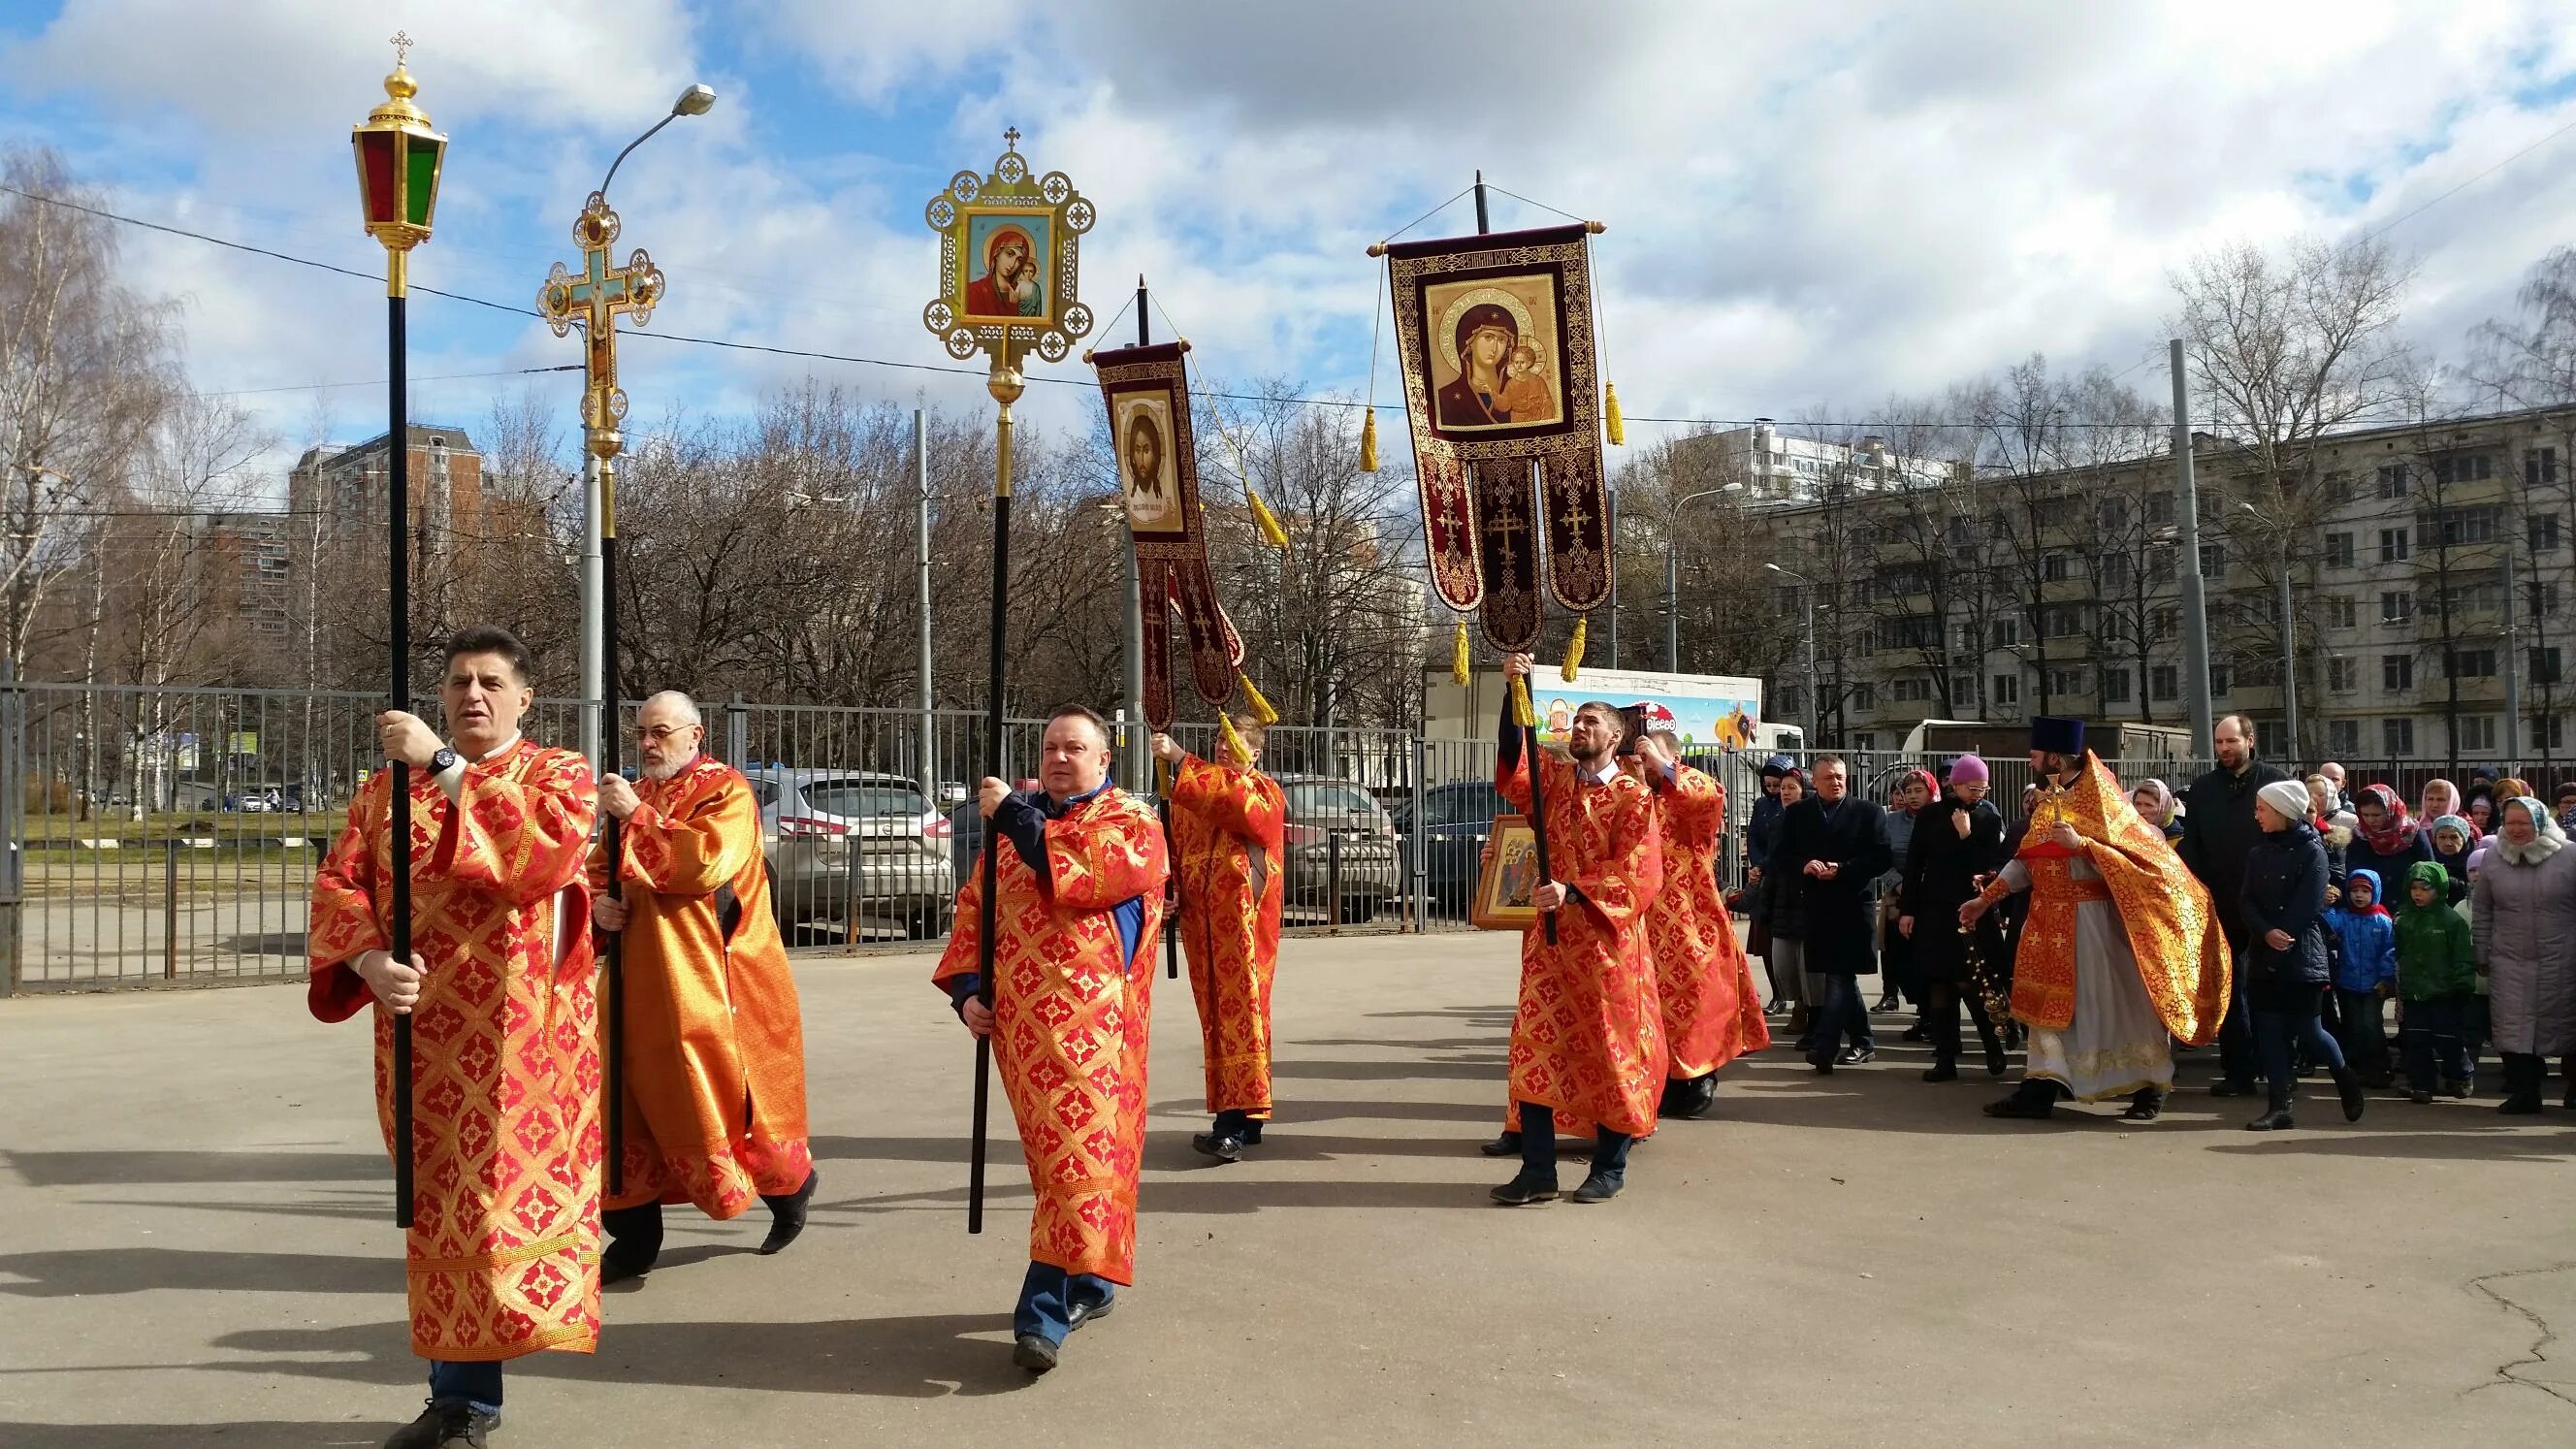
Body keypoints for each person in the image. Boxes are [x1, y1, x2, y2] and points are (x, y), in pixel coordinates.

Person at [306, 627, 599, 1449]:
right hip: (422, 1039)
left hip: (524, 1049)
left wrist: (444, 763)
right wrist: (366, 959)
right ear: (440, 691)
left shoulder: (556, 774)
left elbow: (537, 861)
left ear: (524, 696)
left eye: (491, 682)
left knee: (492, 1212)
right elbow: (341, 881)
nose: (473, 694)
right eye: (459, 681)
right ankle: (459, 1396)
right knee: (440, 1212)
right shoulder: (382, 790)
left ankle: (475, 1389)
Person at [935, 705, 1169, 1374]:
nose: (1060, 759)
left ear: (1105, 760)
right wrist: (969, 992)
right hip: (1023, 1036)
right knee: (1057, 1171)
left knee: (1077, 1163)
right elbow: (977, 910)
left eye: (1075, 748)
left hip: (1097, 1036)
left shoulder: (1132, 822)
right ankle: (1090, 1283)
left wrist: (1011, 811)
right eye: (1049, 749)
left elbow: (1080, 872)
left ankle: (1039, 1317)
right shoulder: (1013, 828)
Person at [590, 691, 814, 1285]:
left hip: (712, 985)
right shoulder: (635, 797)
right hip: (634, 983)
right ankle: (634, 1239)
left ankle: (790, 1192)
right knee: (623, 1110)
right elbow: (599, 866)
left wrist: (636, 814)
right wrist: (598, 907)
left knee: (727, 1104)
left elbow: (702, 866)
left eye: (659, 732)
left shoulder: (727, 791)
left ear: (695, 736)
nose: (647, 745)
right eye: (641, 733)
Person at [1963, 718, 2228, 1122]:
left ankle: (2150, 1086)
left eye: (2035, 753)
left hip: (2097, 925)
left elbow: (2144, 860)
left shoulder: (2103, 801)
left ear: (2054, 756)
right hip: (2046, 922)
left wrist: (2083, 843)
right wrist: (1986, 901)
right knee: (2047, 1013)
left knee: (2117, 1007)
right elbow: (2027, 860)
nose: (2030, 759)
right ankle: (2040, 1089)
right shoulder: (2048, 798)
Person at [1487, 653, 1665, 1207]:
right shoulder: (1555, 781)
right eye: (1578, 720)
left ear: (1614, 737)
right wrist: (1513, 686)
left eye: (1594, 721)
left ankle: (1610, 1165)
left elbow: (1639, 869)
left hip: (1606, 947)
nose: (1582, 727)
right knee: (1536, 1050)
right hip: (1548, 946)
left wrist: (1575, 889)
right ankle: (1538, 1171)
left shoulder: (1632, 796)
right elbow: (1513, 761)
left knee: (1610, 1053)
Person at [1150, 720, 1286, 1163]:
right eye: (1218, 743)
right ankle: (1248, 1120)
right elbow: (1173, 855)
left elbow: (1237, 806)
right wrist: (1167, 896)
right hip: (1202, 928)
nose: (1224, 750)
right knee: (1215, 1021)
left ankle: (1231, 1124)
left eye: (1235, 744)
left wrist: (1180, 760)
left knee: (1242, 1017)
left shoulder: (1264, 792)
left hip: (1244, 931)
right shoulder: (1191, 802)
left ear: (1256, 754)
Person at [1636, 729, 1769, 1119]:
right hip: (1640, 915)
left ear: (1674, 759)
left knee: (1694, 999)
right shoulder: (1632, 793)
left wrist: (1660, 766)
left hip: (1688, 915)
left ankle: (1700, 1076)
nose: (1644, 761)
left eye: (1654, 756)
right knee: (1650, 1006)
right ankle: (1662, 1080)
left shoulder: (1691, 793)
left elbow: (1709, 794)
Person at [2236, 779, 2365, 1130]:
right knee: (2269, 1032)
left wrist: (2284, 933)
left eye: (2263, 809)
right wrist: (2265, 931)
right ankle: (2279, 1107)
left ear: (2282, 812)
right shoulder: (2257, 852)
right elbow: (2245, 899)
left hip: (2301, 955)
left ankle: (2344, 1075)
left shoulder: (2313, 851)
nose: (2257, 815)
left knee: (2309, 1030)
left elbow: (2309, 901)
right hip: (2264, 953)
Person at [2177, 713, 2291, 1098]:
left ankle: (2279, 1069)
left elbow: (2294, 842)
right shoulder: (2204, 788)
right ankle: (2239, 1070)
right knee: (2231, 988)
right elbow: (2191, 845)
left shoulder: (2276, 782)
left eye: (2232, 741)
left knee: (2273, 990)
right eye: (2219, 743)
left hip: (2271, 907)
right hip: (2221, 905)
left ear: (2250, 740)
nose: (2225, 749)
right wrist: (2198, 893)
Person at [1775, 756, 1891, 1072]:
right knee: (1839, 975)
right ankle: (1863, 1042)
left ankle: (1825, 1045)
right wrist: (1804, 865)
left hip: (1853, 906)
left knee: (1839, 976)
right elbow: (1782, 855)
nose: (1836, 782)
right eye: (1828, 778)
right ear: (1815, 782)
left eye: (1839, 776)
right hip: (1817, 907)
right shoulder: (1799, 814)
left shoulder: (1868, 813)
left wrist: (1844, 869)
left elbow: (1881, 858)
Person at [1899, 753, 2011, 1081]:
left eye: (1984, 789)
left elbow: (1985, 864)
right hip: (1935, 909)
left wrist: (1965, 835)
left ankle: (1992, 1046)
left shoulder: (1988, 818)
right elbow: (1915, 865)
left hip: (1971, 909)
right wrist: (1908, 910)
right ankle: (1945, 1058)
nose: (1979, 795)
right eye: (1973, 788)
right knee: (1940, 984)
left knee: (1972, 983)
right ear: (1955, 785)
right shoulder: (1931, 815)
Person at [2468, 796, 2576, 1114]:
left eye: (2523, 823)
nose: (2515, 829)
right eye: (2510, 822)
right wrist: (2481, 952)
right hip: (2509, 959)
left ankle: (2574, 1089)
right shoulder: (2493, 858)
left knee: (2568, 1024)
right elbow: (2484, 910)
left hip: (2564, 958)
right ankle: (2525, 1093)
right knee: (2513, 1028)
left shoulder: (2570, 856)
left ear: (2540, 823)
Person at [2395, 861, 2477, 1103]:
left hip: (2445, 991)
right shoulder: (2404, 919)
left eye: (2425, 888)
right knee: (2416, 1039)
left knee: (2447, 1038)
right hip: (2415, 991)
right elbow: (2398, 954)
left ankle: (2461, 1074)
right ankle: (2422, 1083)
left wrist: (2463, 985)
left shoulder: (2451, 921)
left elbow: (2463, 955)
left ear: (2439, 889)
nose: (2418, 894)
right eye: (2414, 888)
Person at [2321, 868, 2398, 1089]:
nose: (2359, 895)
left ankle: (2380, 1067)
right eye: (2354, 890)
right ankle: (2357, 1067)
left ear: (2375, 892)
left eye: (2365, 890)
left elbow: (2390, 950)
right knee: (2353, 1026)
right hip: (2348, 982)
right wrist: (2327, 904)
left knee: (2371, 1025)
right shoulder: (2344, 916)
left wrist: (2386, 978)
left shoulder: (2383, 920)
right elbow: (2328, 926)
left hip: (2375, 985)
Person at [1875, 769, 1936, 1024]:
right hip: (1899, 899)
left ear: (1931, 791)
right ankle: (1921, 1012)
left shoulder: (1942, 818)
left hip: (1933, 898)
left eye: (1918, 790)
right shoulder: (1892, 821)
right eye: (1907, 792)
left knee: (1930, 961)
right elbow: (1880, 859)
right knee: (1902, 959)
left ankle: (1933, 1019)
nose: (1912, 796)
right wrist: (1898, 883)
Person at [1756, 769, 1813, 1034]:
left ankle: (1809, 1014)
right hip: (1781, 897)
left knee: (1808, 965)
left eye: (1792, 787)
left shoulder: (1816, 819)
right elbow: (1774, 858)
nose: (1786, 792)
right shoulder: (1778, 820)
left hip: (1807, 899)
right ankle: (1797, 1005)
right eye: (1783, 788)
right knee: (1784, 964)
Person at [1745, 755, 1799, 1019]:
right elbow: (1754, 836)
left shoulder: (1797, 809)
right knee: (1765, 942)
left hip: (1783, 877)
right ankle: (1777, 995)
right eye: (1769, 785)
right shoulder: (1762, 806)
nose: (1776, 790)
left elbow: (1781, 847)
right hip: (1765, 879)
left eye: (1779, 784)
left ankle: (1798, 1000)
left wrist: (1765, 864)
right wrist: (1756, 865)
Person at [2346, 785, 2435, 886]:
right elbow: (2353, 870)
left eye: (2376, 815)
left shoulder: (2412, 832)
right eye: (2365, 815)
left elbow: (2429, 869)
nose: (2371, 820)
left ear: (2390, 811)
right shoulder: (2360, 835)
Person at [963, 224, 1043, 317]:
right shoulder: (974, 291)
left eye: (1019, 260)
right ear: (996, 254)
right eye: (1009, 254)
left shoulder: (1025, 291)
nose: (1012, 264)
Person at [2428, 815, 2475, 902]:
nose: (2448, 843)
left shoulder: (2475, 861)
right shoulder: (2428, 859)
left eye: (2454, 837)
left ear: (2464, 839)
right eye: (2442, 837)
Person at [2131, 778, 2185, 844]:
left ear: (2164, 808)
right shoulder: (2131, 833)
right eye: (2138, 804)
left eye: (2148, 805)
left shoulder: (2180, 841)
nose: (2141, 811)